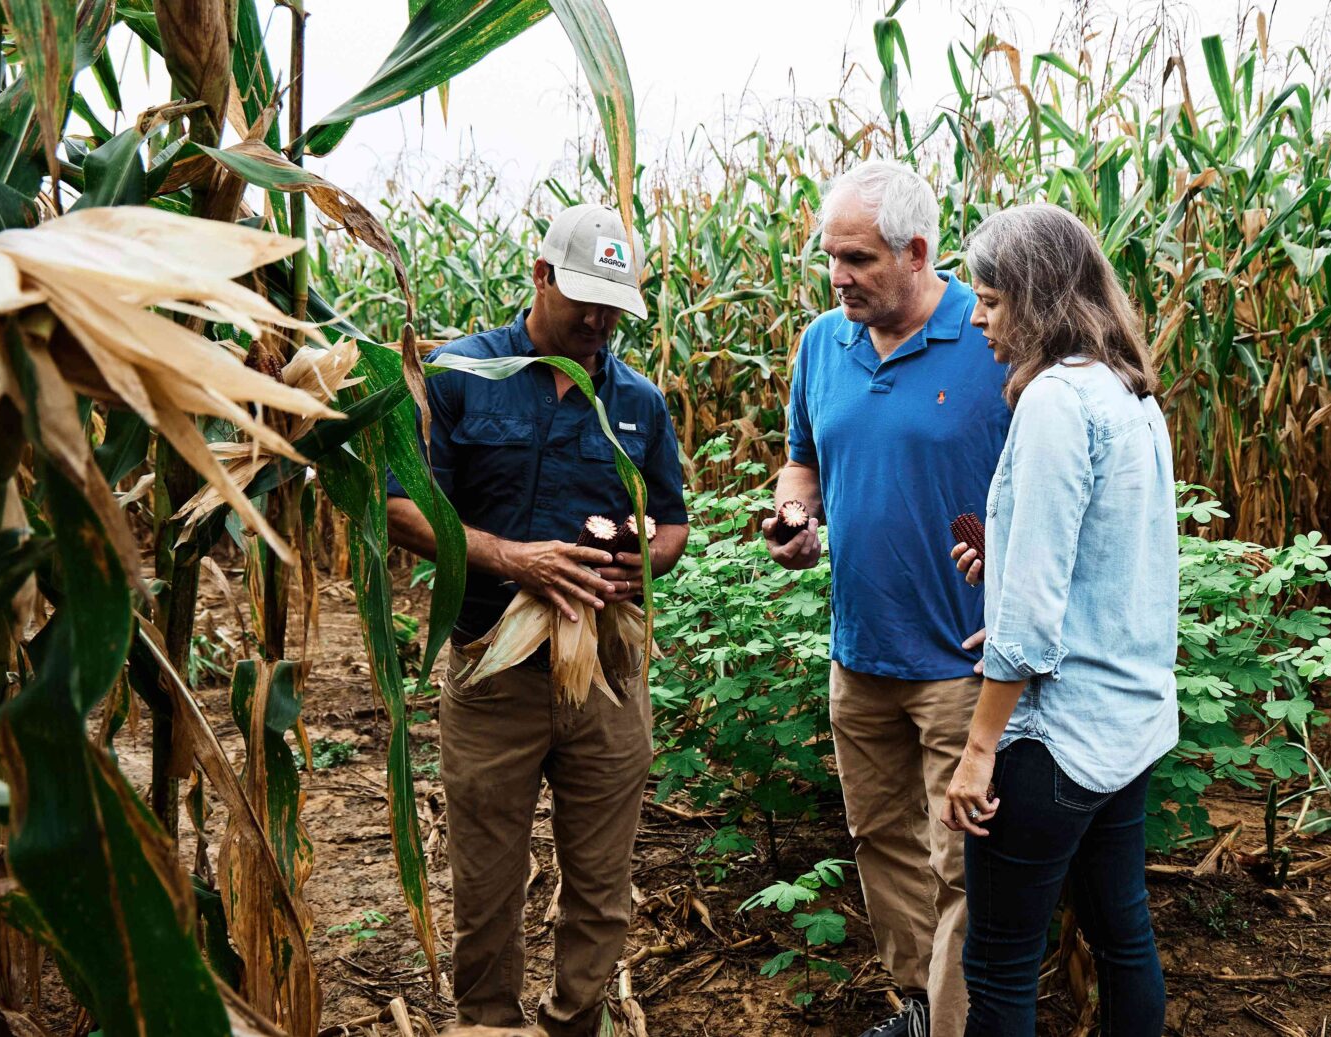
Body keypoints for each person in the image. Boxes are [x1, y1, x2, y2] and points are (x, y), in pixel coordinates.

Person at [385, 203, 689, 1036]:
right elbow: (401, 508)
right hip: (493, 665)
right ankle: (487, 1023)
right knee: (485, 878)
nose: (598, 322)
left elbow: (672, 521)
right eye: (584, 298)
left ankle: (575, 1019)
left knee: (601, 878)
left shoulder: (638, 402)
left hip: (606, 671)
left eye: (614, 307)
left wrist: (643, 564)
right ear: (541, 274)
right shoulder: (456, 375)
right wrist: (517, 560)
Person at [764, 160, 1012, 1037]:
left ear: (915, 252)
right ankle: (918, 1003)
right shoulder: (819, 343)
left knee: (961, 864)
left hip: (963, 658)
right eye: (830, 258)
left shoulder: (989, 336)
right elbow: (804, 455)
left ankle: (954, 1024)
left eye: (859, 259)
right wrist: (797, 509)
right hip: (858, 650)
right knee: (883, 844)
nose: (839, 278)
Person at [940, 202, 1178, 1036]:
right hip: (1128, 725)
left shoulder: (1053, 403)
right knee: (1124, 935)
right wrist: (1000, 567)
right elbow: (1114, 566)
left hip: (1053, 739)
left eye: (992, 300)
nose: (976, 318)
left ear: (1036, 298)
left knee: (1000, 968)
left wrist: (977, 753)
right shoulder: (1130, 393)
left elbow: (1034, 623)